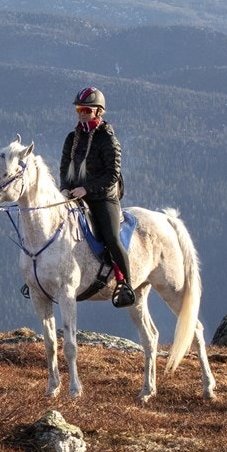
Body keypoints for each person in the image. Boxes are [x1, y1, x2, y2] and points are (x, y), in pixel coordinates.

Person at [59, 87, 136, 308]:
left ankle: (126, 285)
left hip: (104, 197)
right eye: (78, 109)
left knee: (111, 238)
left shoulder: (108, 139)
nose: (81, 113)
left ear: (98, 112)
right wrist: (65, 188)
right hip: (74, 195)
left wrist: (87, 189)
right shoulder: (71, 138)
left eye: (86, 109)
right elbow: (64, 169)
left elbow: (112, 174)